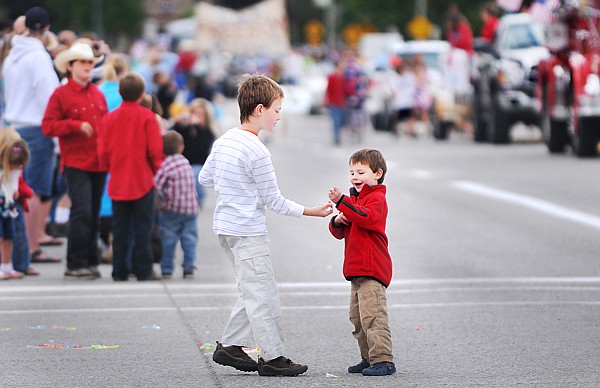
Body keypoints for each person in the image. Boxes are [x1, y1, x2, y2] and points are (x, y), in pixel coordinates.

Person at [199, 74, 333, 377]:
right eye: (276, 110)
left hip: (225, 228)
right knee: (262, 295)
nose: (278, 117)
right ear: (259, 109)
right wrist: (311, 211)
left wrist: (231, 186)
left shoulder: (225, 140)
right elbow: (275, 201)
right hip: (247, 230)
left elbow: (204, 178)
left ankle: (231, 345)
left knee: (253, 289)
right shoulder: (257, 150)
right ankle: (273, 357)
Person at [42, 42, 107, 279]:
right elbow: (48, 126)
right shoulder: (60, 94)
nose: (88, 66)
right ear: (70, 66)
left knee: (94, 212)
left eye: (90, 62)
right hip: (76, 162)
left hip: (99, 162)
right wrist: (75, 125)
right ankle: (75, 262)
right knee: (82, 212)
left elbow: (105, 126)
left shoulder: (97, 93)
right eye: (83, 62)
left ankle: (89, 261)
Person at [327, 148, 396, 377]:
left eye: (361, 172)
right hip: (356, 270)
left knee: (373, 316)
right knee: (357, 319)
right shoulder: (355, 201)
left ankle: (383, 359)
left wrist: (343, 203)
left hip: (372, 269)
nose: (355, 177)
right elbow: (338, 233)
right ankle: (367, 358)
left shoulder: (376, 198)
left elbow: (366, 218)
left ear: (377, 173)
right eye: (352, 172)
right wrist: (338, 219)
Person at [2, 6, 61, 264]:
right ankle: (31, 246)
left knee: (15, 188)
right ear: (46, 29)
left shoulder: (13, 53)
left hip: (13, 125)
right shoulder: (38, 57)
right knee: (34, 190)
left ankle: (19, 249)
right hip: (37, 128)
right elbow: (50, 97)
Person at [99, 72, 163, 282]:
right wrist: (155, 170)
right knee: (142, 228)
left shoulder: (109, 118)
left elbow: (103, 151)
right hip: (143, 180)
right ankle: (143, 269)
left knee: (120, 228)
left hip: (118, 180)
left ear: (119, 92)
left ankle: (120, 270)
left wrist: (111, 167)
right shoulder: (147, 117)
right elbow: (155, 151)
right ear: (142, 93)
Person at [154, 131, 198, 279]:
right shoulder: (186, 163)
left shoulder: (165, 166)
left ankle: (167, 268)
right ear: (181, 148)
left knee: (168, 238)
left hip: (172, 209)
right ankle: (189, 267)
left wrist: (159, 203)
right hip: (191, 209)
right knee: (190, 238)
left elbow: (157, 186)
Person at [171, 97, 218, 207]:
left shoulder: (208, 131)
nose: (197, 117)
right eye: (195, 113)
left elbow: (202, 148)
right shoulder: (185, 127)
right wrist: (180, 124)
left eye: (200, 114)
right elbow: (175, 138)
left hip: (199, 164)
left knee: (194, 173)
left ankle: (198, 199)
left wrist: (198, 127)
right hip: (183, 161)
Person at [0, 134, 30, 280]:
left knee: (9, 236)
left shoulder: (16, 170)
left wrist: (16, 191)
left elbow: (14, 184)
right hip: (2, 205)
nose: (17, 168)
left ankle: (7, 266)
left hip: (7, 207)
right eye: (14, 165)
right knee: (1, 237)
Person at [325, 59, 346, 145]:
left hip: (343, 102)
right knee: (336, 120)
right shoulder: (332, 76)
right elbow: (329, 89)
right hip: (334, 102)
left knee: (342, 120)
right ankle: (337, 137)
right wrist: (326, 100)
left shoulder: (344, 77)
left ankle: (338, 134)